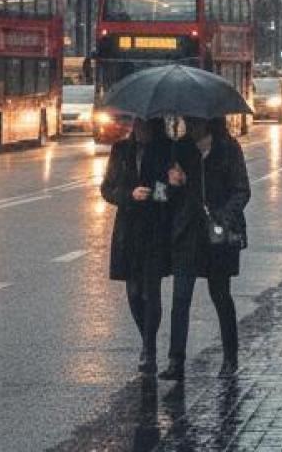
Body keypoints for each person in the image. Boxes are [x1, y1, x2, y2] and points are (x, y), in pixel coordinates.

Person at [160, 116, 250, 381]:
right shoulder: (182, 149)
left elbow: (242, 190)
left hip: (217, 235)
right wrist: (172, 184)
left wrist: (222, 216)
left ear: (209, 122)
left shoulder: (228, 149)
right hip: (188, 233)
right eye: (189, 121)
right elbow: (166, 195)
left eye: (196, 122)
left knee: (220, 296)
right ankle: (176, 361)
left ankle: (230, 358)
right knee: (180, 297)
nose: (191, 125)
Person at [100, 118, 176, 374]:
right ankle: (146, 339)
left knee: (150, 291)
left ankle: (149, 348)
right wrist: (130, 194)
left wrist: (154, 193)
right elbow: (108, 188)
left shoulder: (166, 149)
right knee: (133, 292)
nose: (141, 128)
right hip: (128, 230)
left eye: (146, 125)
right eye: (138, 124)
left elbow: (171, 189)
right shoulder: (121, 150)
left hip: (155, 229)